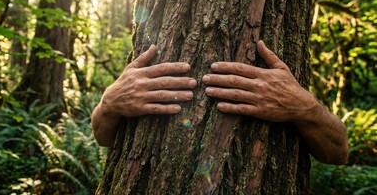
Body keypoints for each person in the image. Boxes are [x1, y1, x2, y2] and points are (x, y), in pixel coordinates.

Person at [91, 40, 349, 165]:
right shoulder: (144, 54)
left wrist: (306, 107)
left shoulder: (292, 85)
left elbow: (339, 153)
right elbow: (103, 137)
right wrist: (108, 102)